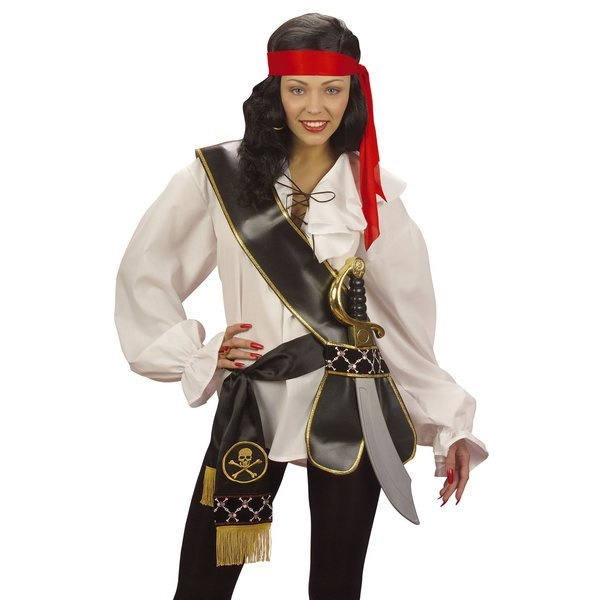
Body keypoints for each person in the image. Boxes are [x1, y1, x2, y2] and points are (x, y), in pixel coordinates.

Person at [114, 12, 489, 600]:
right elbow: (145, 274)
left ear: (352, 94)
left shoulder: (374, 195)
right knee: (202, 584)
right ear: (276, 92)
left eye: (332, 90)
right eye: (298, 89)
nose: (315, 107)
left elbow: (403, 328)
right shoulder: (218, 176)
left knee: (336, 589)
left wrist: (450, 427)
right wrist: (198, 354)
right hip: (255, 404)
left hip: (352, 406)